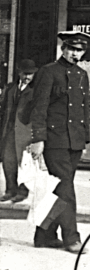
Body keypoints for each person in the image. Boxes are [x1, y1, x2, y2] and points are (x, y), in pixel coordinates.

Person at [27, 31, 90, 254]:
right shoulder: (48, 72)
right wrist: (38, 139)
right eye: (72, 49)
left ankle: (44, 236)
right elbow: (39, 108)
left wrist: (85, 138)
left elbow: (84, 107)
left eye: (80, 50)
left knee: (57, 190)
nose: (75, 53)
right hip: (54, 140)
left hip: (74, 141)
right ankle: (72, 238)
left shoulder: (82, 75)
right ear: (63, 49)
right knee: (66, 189)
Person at [0, 59, 37, 203]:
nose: (27, 77)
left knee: (24, 163)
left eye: (31, 74)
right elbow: (3, 110)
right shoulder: (10, 89)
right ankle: (10, 190)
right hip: (8, 131)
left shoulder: (35, 91)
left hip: (25, 133)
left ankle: (22, 192)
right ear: (19, 73)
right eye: (25, 74)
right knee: (8, 161)